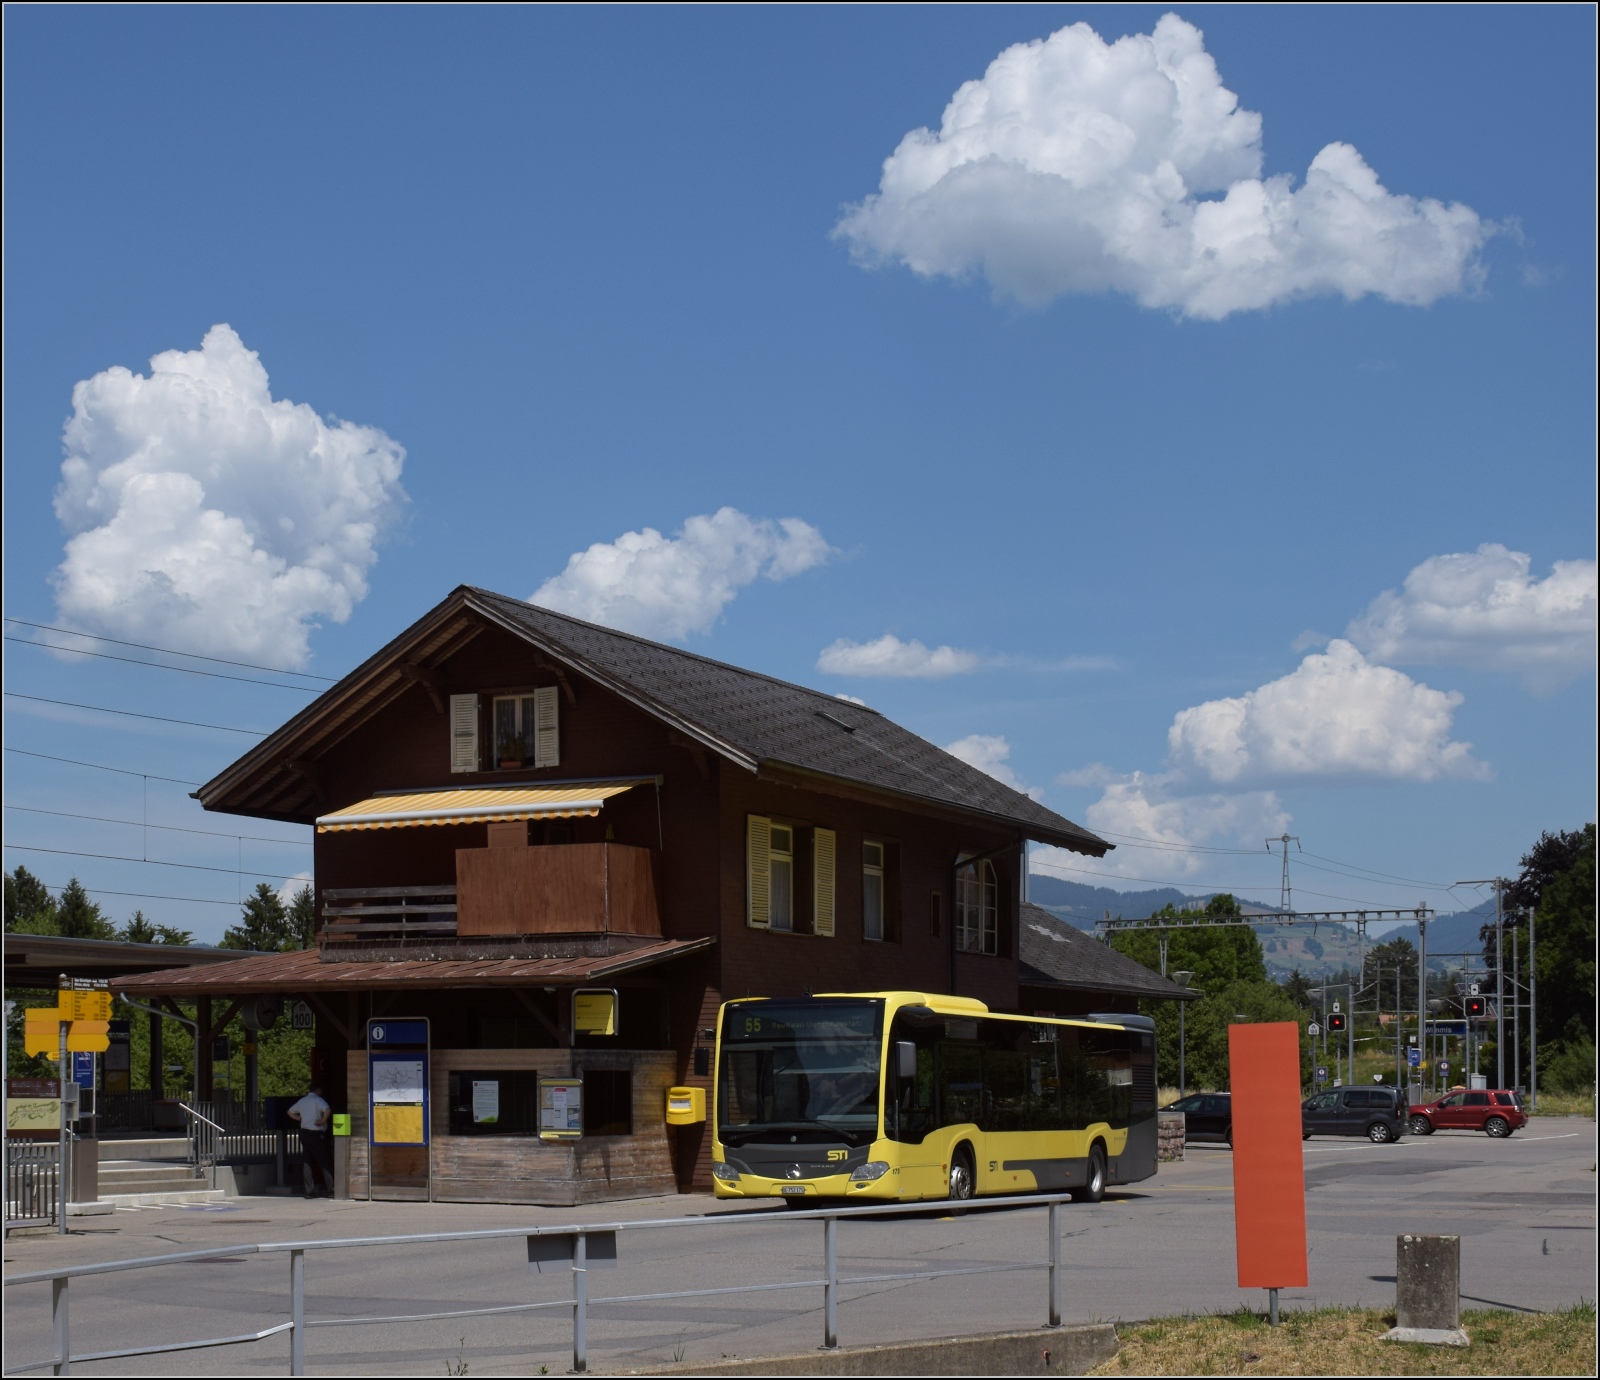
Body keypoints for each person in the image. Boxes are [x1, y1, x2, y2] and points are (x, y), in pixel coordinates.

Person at [288, 1083, 334, 1198]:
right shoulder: (318, 1100)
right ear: (318, 1090)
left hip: (304, 1133)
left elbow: (289, 1111)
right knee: (323, 1161)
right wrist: (323, 1120)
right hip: (316, 1133)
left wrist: (300, 1118)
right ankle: (331, 1188)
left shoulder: (302, 1101)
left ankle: (309, 1191)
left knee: (307, 1162)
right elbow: (327, 1110)